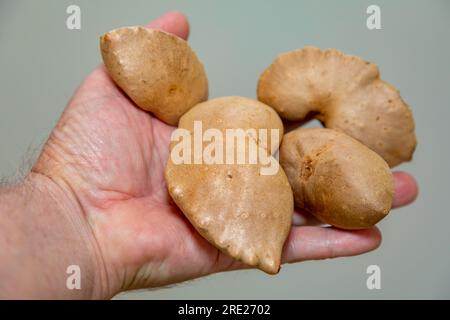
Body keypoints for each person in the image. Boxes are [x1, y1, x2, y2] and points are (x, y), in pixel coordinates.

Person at [0, 12, 418, 299]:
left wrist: (72, 217)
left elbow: (364, 193)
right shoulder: (208, 119)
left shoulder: (263, 131)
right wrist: (70, 213)